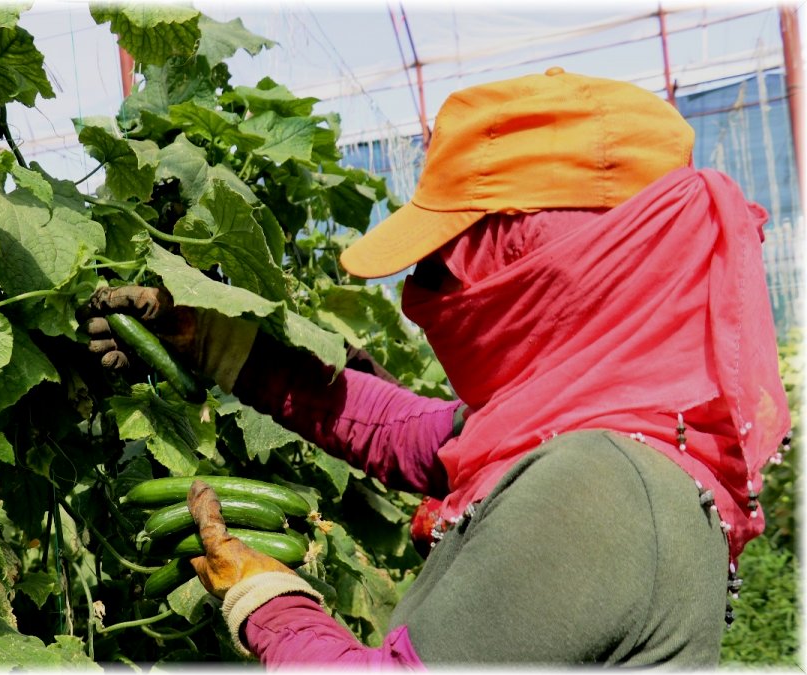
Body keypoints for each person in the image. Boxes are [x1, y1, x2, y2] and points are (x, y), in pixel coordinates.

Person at [83, 68, 791, 666]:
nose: (429, 290)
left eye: (448, 259)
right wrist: (209, 341)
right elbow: (406, 431)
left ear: (547, 261)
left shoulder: (598, 490)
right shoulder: (621, 428)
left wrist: (267, 601)